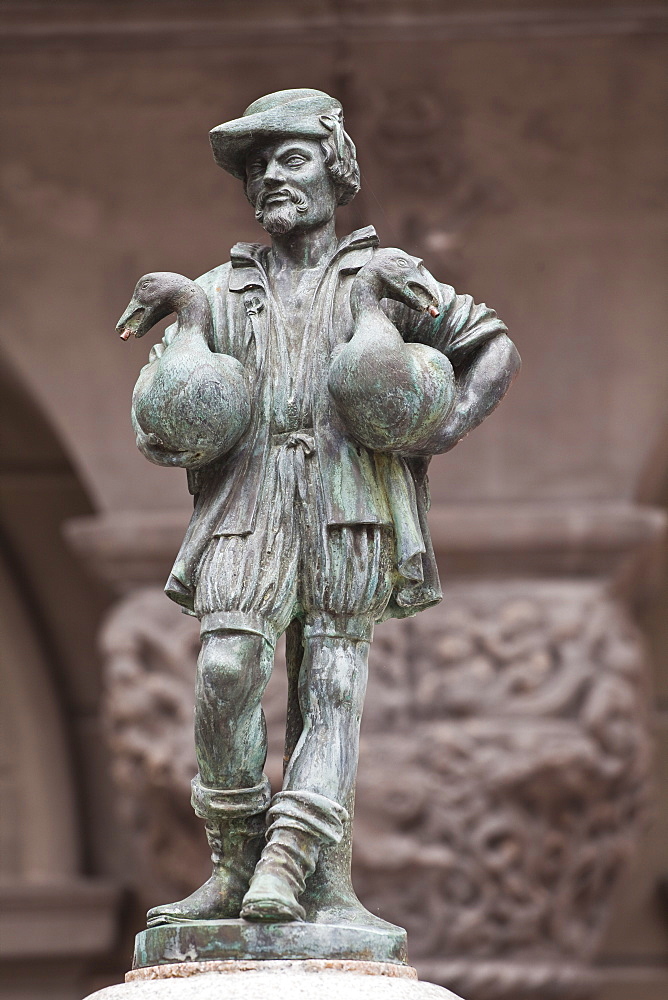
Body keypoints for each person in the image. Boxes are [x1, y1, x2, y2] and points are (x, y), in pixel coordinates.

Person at [133, 88, 520, 926]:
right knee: (227, 670)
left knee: (334, 682)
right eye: (256, 165)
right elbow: (162, 416)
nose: (271, 175)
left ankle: (293, 858)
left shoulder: (377, 273)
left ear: (337, 166)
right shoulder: (221, 288)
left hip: (349, 503)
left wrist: (433, 429)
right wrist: (189, 326)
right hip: (249, 503)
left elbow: (490, 343)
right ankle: (235, 858)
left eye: (291, 156)